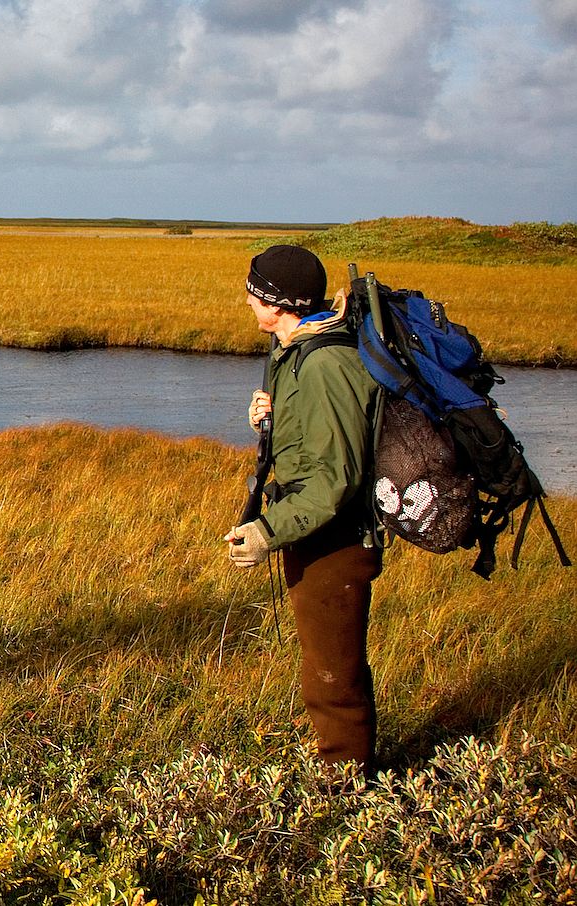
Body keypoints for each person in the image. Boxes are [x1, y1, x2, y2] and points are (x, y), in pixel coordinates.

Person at [223, 245, 383, 770]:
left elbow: (335, 480)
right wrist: (269, 420)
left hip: (335, 538)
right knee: (326, 660)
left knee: (333, 672)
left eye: (254, 289)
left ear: (277, 301)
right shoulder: (292, 349)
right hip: (313, 533)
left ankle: (347, 786)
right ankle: (343, 766)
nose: (246, 298)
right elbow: (311, 444)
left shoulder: (323, 365)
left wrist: (268, 531)